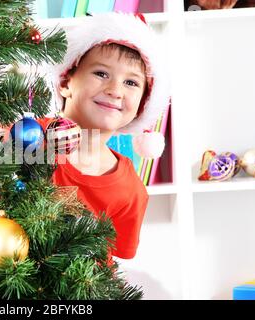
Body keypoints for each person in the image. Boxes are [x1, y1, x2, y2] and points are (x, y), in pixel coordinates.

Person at [41, 12, 169, 260]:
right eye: (101, 73)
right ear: (66, 82)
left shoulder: (130, 189)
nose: (115, 91)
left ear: (142, 105)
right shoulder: (26, 139)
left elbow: (105, 269)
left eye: (131, 83)